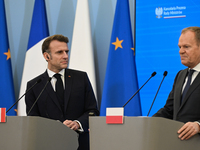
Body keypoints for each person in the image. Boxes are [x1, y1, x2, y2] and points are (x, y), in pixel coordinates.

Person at [25, 34, 99, 150]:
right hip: (48, 145)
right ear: (47, 56)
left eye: (66, 51)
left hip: (80, 144)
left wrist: (77, 123)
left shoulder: (81, 78)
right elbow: (33, 120)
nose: (65, 56)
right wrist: (56, 128)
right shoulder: (34, 85)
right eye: (59, 52)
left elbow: (92, 110)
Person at [153, 27, 200, 140]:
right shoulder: (181, 75)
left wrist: (198, 125)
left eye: (186, 47)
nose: (181, 51)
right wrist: (148, 122)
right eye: (180, 47)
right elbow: (169, 110)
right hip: (177, 143)